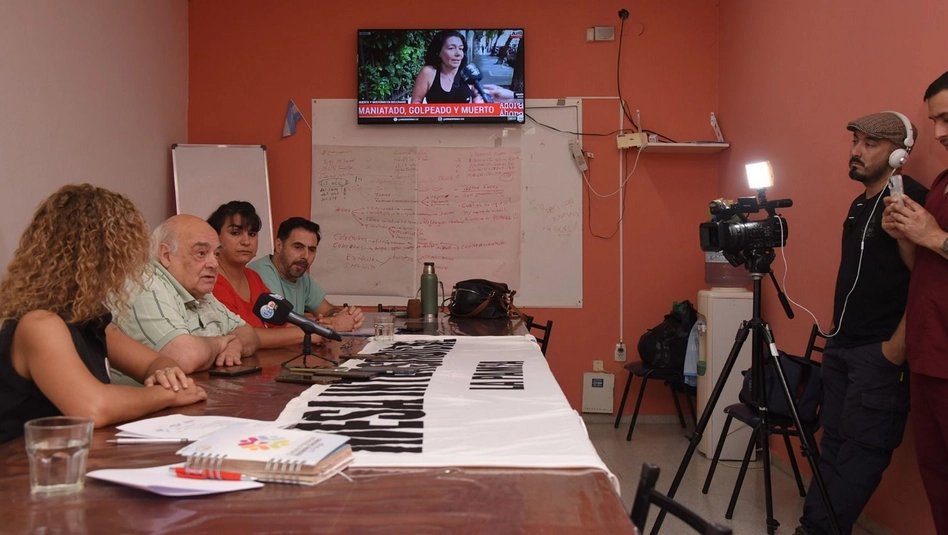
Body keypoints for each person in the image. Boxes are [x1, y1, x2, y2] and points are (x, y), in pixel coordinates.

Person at [797, 112, 928, 535]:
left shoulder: (908, 201)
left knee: (861, 451)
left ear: (899, 154)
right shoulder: (860, 205)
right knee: (833, 442)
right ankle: (813, 526)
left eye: (870, 144)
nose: (856, 151)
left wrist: (896, 348)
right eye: (855, 141)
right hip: (842, 346)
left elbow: (926, 281)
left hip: (879, 354)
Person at [0, 184, 206, 443]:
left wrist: (167, 374)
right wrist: (168, 394)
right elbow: (93, 408)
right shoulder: (39, 324)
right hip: (23, 462)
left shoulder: (87, 317)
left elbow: (153, 362)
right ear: (100, 257)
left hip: (73, 454)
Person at [882, 70, 948, 534]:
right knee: (937, 478)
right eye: (935, 121)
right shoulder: (942, 183)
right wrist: (906, 235)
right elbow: (923, 265)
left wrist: (935, 236)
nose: (939, 132)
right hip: (928, 353)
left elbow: (938, 242)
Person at [113, 214, 259, 373]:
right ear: (166, 255)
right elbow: (183, 357)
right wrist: (219, 343)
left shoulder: (198, 290)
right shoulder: (145, 284)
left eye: (216, 254)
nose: (214, 264)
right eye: (201, 253)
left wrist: (235, 345)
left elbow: (248, 332)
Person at [206, 201, 310, 348]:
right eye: (236, 233)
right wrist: (306, 334)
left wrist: (318, 327)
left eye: (252, 234)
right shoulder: (210, 280)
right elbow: (239, 335)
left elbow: (278, 324)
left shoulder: (253, 277)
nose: (246, 242)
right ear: (215, 238)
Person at [248, 217, 364, 332]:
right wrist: (334, 323)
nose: (306, 256)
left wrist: (342, 316)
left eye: (312, 249)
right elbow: (279, 326)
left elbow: (327, 310)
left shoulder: (301, 277)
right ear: (279, 246)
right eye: (298, 247)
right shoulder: (259, 273)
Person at [410, 30, 484, 104]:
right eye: (451, 48)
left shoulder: (469, 73)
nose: (458, 53)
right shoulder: (428, 72)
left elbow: (478, 100)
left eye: (460, 48)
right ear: (438, 52)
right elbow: (416, 103)